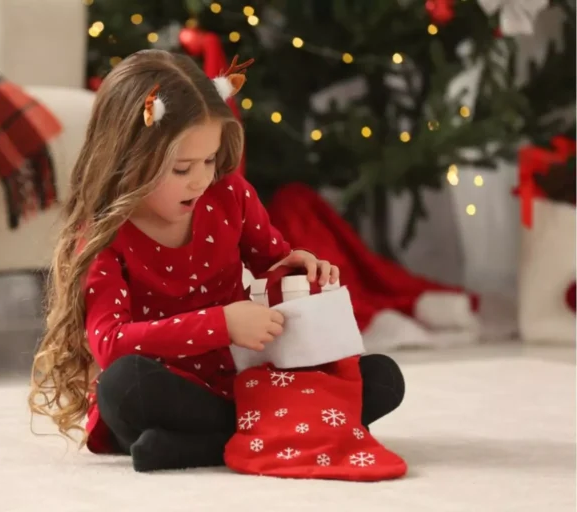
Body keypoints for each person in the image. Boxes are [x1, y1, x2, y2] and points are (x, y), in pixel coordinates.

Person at [28, 49, 405, 473]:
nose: (202, 178)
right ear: (127, 162)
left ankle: (197, 447)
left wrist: (298, 266)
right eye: (181, 167)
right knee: (123, 386)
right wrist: (222, 323)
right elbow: (111, 343)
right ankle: (275, 429)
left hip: (245, 383)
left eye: (209, 160)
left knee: (383, 378)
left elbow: (271, 263)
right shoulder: (104, 240)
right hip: (171, 393)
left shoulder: (231, 197)